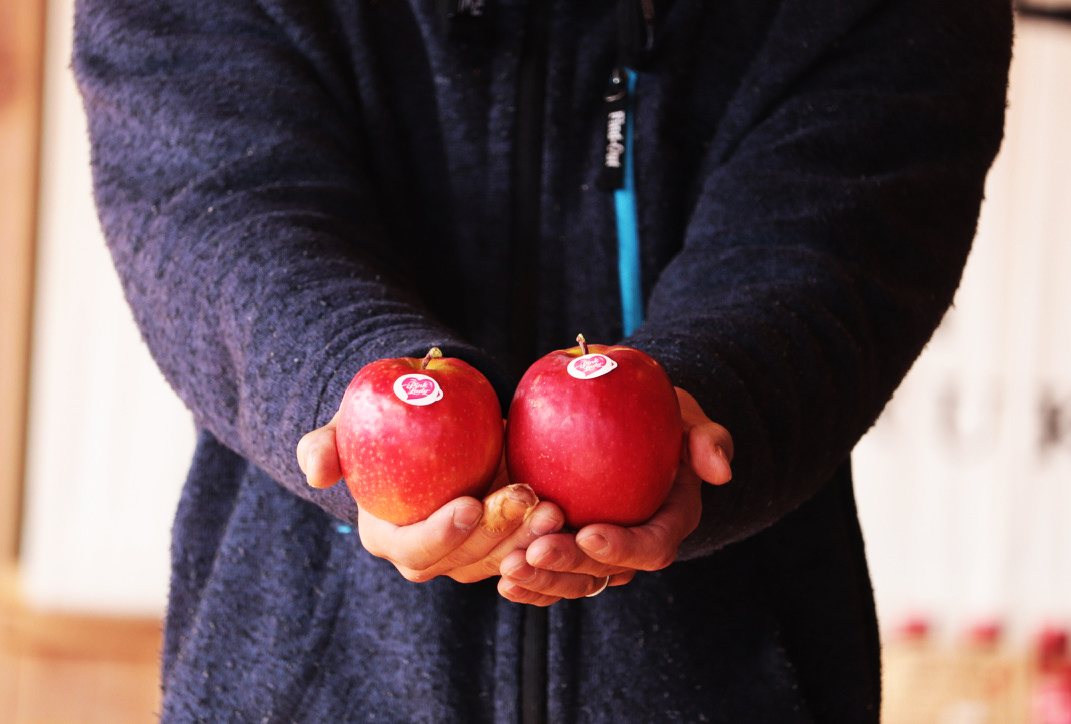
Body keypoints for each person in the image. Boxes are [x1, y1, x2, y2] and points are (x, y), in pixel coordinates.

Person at [72, 0, 1013, 721]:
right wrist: (352, 401)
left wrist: (717, 396)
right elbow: (208, 191)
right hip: (299, 681)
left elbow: (856, 209)